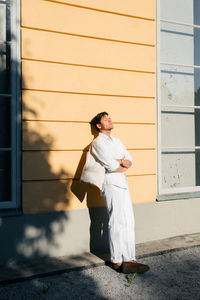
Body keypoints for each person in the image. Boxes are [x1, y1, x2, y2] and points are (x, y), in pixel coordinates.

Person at [89, 112, 150, 274]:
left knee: (128, 220)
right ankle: (117, 261)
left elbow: (130, 161)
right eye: (105, 119)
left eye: (110, 118)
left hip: (122, 183)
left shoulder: (117, 141)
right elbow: (109, 165)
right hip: (110, 183)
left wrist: (121, 162)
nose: (110, 120)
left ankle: (129, 258)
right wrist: (121, 162)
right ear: (98, 125)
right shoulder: (98, 142)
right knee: (116, 221)